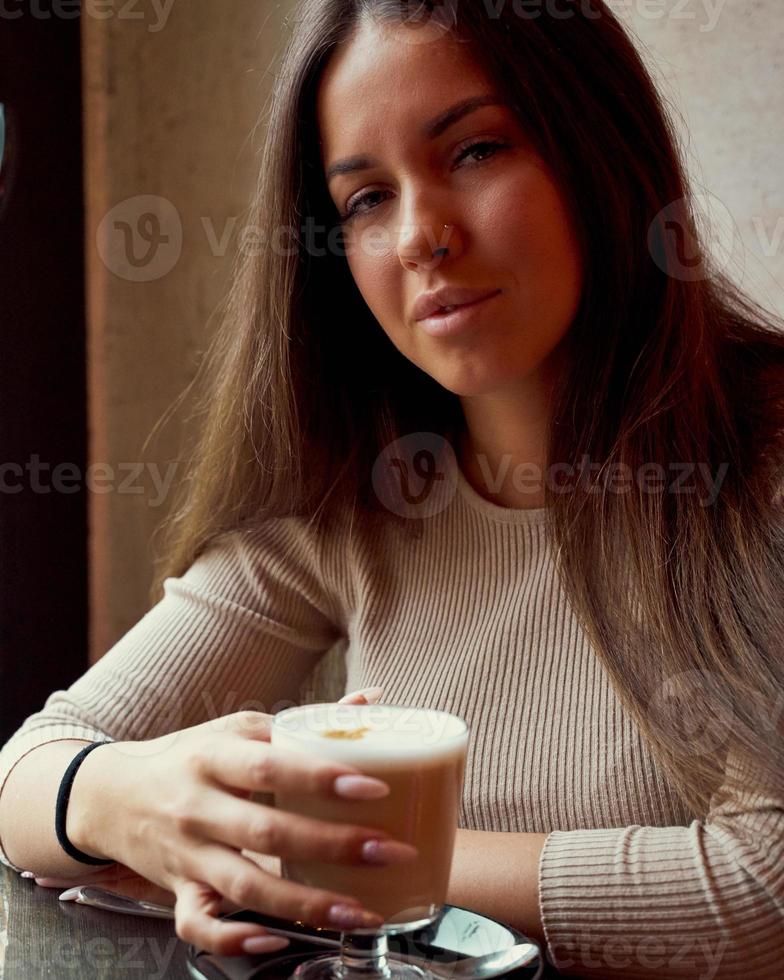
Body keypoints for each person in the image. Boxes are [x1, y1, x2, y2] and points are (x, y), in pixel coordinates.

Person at [1, 0, 783, 974]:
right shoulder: (357, 492)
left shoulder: (762, 459)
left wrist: (321, 858)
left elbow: (760, 892)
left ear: (598, 142)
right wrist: (142, 800)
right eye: (366, 199)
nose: (420, 235)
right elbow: (31, 770)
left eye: (474, 150)